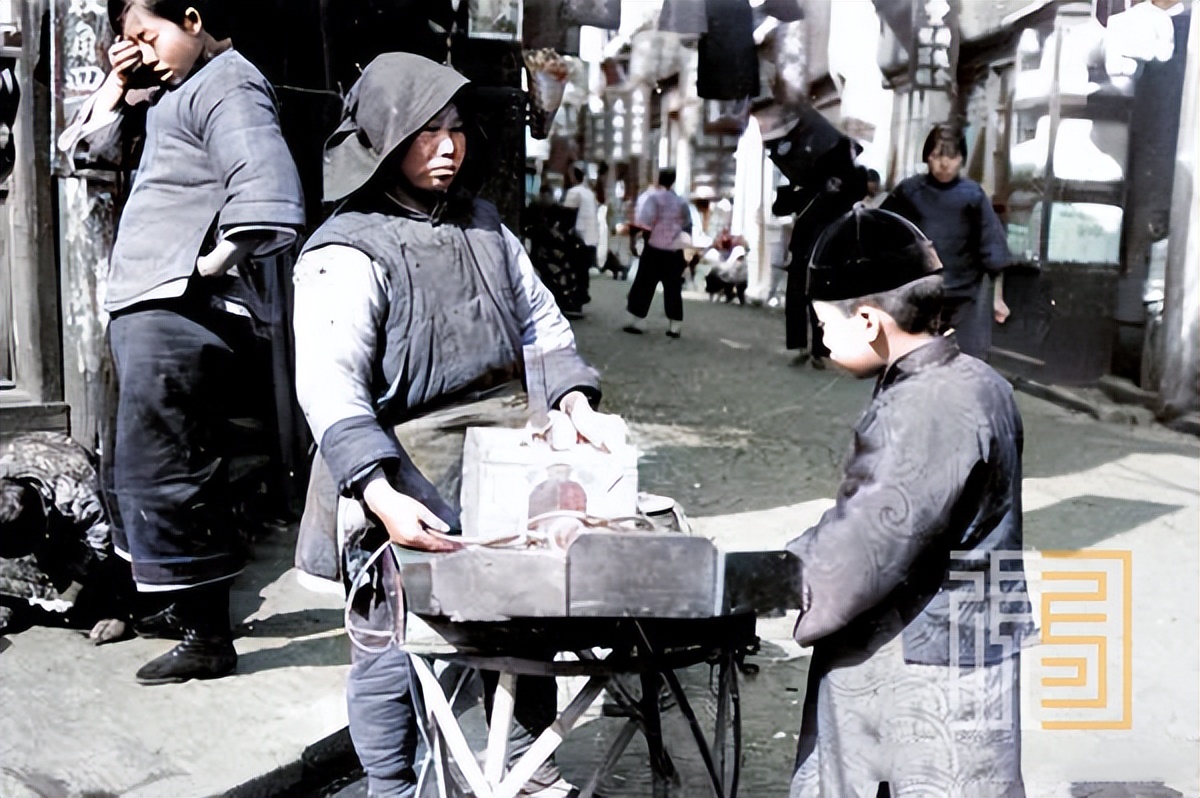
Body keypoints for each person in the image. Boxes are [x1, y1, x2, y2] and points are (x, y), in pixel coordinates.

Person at [291, 53, 622, 798]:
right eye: (425, 132)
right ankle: (390, 786)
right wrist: (379, 495)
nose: (449, 147)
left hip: (504, 465)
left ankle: (527, 767)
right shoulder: (346, 250)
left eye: (456, 129)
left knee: (525, 626)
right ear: (383, 140)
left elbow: (541, 326)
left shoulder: (485, 226)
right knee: (391, 648)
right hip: (401, 472)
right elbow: (332, 390)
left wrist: (575, 406)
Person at [57, 0, 305, 684]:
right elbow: (80, 151)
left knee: (167, 466)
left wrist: (207, 266)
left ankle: (207, 637)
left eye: (151, 34)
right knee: (140, 465)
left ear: (193, 19)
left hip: (180, 308)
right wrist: (117, 81)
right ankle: (179, 610)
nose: (142, 49)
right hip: (152, 305)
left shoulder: (228, 82)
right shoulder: (171, 91)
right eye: (129, 39)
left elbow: (266, 184)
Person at [786, 207, 1031, 798]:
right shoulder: (975, 379)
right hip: (973, 639)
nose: (821, 337)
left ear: (869, 320)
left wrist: (778, 580)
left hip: (929, 660)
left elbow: (868, 543)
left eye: (825, 323)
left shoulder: (925, 407)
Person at [883, 124, 1011, 359]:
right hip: (917, 297)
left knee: (962, 362)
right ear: (927, 158)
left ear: (961, 158)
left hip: (962, 298)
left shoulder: (972, 196)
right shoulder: (910, 192)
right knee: (913, 362)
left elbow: (992, 249)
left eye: (951, 156)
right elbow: (883, 232)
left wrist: (998, 299)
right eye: (937, 156)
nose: (944, 164)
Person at [0, 432, 130, 643]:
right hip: (27, 454)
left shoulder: (84, 501)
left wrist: (116, 611)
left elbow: (110, 557)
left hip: (65, 468)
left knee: (86, 591)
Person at [773, 137, 864, 369]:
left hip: (818, 248)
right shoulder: (829, 180)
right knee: (809, 298)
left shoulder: (825, 178)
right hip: (816, 248)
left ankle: (810, 347)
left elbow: (781, 208)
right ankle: (812, 348)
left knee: (807, 298)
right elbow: (781, 208)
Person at [623, 167, 692, 338]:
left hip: (654, 246)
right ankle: (674, 326)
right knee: (673, 288)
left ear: (659, 179)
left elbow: (645, 222)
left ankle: (638, 322)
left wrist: (634, 240)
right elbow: (687, 225)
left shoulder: (653, 198)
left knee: (644, 285)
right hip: (674, 249)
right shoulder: (681, 202)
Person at [562, 160, 599, 289]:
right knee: (583, 271)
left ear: (573, 175)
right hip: (591, 238)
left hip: (578, 237)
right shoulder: (589, 193)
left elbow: (568, 215)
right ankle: (582, 294)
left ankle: (577, 294)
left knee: (575, 268)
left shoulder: (574, 192)